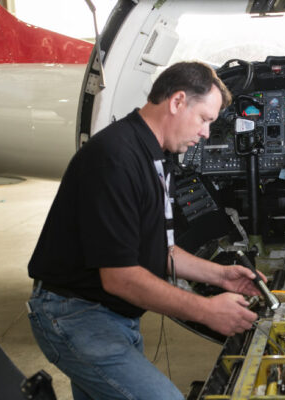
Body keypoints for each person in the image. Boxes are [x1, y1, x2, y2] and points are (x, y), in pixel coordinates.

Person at [27, 61, 263, 400]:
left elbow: (161, 249)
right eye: (204, 119)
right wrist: (207, 311)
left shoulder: (154, 155)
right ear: (178, 101)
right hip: (74, 316)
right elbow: (120, 277)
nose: (206, 133)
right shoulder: (115, 158)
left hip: (112, 314)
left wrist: (221, 276)